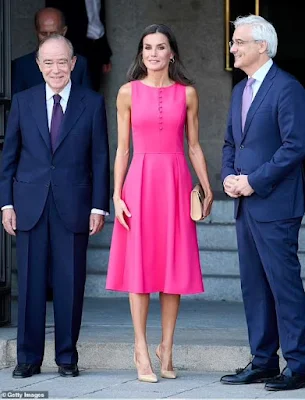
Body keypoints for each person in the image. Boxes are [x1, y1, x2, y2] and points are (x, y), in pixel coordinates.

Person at [106, 24, 213, 383]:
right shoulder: (127, 93)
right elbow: (122, 149)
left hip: (176, 181)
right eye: (147, 47)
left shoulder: (188, 94)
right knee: (140, 270)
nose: (153, 53)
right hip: (139, 183)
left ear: (172, 54)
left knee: (172, 271)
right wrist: (116, 194)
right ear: (142, 54)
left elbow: (194, 145)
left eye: (160, 47)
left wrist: (207, 185)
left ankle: (166, 348)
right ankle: (140, 347)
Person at [0, 34, 110, 378]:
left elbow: (100, 158)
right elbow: (9, 157)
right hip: (29, 203)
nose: (56, 69)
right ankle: (28, 358)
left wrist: (98, 207)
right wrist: (6, 204)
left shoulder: (91, 103)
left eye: (62, 61)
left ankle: (66, 357)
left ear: (73, 63)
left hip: (74, 204)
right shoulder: (23, 101)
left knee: (70, 283)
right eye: (48, 62)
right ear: (38, 65)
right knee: (30, 285)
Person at [221, 15, 305, 391]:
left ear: (262, 46)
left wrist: (254, 181)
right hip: (245, 204)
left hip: (275, 204)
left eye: (239, 41)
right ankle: (263, 361)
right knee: (254, 286)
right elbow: (229, 143)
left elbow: (295, 147)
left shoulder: (288, 88)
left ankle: (300, 364)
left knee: (283, 286)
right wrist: (227, 176)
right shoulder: (240, 90)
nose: (233, 47)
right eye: (233, 41)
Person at [11, 7, 92, 95]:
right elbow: (17, 105)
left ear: (64, 31)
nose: (48, 38)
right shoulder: (22, 66)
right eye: (43, 33)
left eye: (53, 34)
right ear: (37, 32)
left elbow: (88, 103)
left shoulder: (80, 64)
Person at [46, 0, 112, 91]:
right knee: (71, 92)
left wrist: (105, 54)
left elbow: (98, 21)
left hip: (96, 47)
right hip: (72, 49)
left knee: (92, 93)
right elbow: (52, 17)